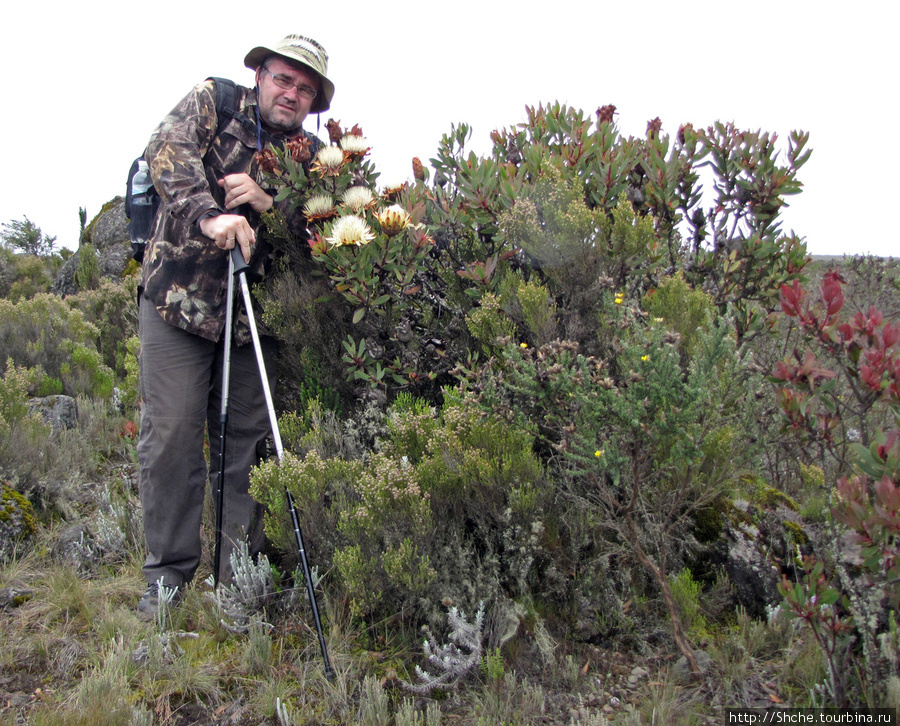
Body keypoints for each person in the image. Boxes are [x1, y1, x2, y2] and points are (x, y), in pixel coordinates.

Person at [135, 34, 334, 620]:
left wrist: (273, 204)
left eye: (304, 88)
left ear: (313, 100)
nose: (290, 93)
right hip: (177, 303)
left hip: (252, 325)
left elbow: (321, 240)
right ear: (260, 76)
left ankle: (237, 586)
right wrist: (212, 215)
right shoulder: (213, 102)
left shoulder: (313, 157)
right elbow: (164, 150)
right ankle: (167, 579)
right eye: (282, 78)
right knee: (171, 437)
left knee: (243, 451)